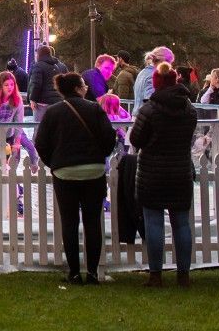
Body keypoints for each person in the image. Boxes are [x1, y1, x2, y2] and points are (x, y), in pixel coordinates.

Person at [34, 72, 118, 285]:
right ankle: (91, 272)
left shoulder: (53, 112)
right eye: (84, 84)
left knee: (69, 222)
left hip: (65, 171)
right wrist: (100, 156)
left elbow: (41, 143)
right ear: (78, 88)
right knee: (92, 222)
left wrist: (54, 163)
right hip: (93, 169)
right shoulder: (94, 109)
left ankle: (73, 272)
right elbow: (109, 138)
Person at [130, 61, 198, 287]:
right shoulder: (189, 109)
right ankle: (183, 274)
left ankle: (156, 274)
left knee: (154, 222)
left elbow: (136, 139)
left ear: (156, 83)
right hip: (180, 170)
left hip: (153, 172)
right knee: (181, 223)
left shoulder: (149, 109)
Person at [28, 45, 67, 123]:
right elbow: (66, 83)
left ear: (39, 54)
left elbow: (36, 84)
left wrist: (33, 99)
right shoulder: (62, 66)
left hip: (42, 103)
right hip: (58, 102)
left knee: (39, 127)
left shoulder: (38, 66)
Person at [132, 46, 174, 113]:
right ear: (164, 62)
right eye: (170, 63)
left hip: (138, 115)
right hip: (147, 118)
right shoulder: (154, 76)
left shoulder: (142, 72)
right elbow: (150, 100)